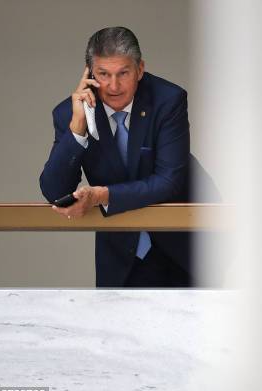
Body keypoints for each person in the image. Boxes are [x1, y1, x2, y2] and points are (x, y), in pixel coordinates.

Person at [40, 27, 196, 287]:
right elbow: (54, 191)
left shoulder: (168, 100)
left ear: (140, 69)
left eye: (123, 73)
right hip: (121, 255)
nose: (113, 86)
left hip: (184, 247)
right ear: (89, 74)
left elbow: (168, 182)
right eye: (103, 74)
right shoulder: (69, 112)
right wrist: (78, 129)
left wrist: (102, 196)